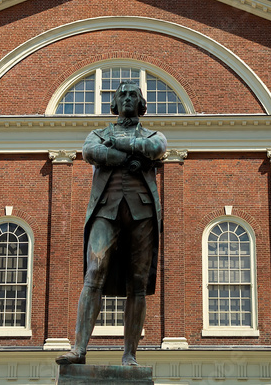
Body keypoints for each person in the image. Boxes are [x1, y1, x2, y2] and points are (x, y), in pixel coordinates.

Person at [56, 82, 166, 366]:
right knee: (94, 271)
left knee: (138, 284)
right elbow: (90, 152)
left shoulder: (152, 134)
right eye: (122, 95)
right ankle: (79, 349)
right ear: (114, 104)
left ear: (142, 104)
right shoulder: (97, 134)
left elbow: (156, 148)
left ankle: (130, 355)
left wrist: (119, 144)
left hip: (142, 213)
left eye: (133, 95)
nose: (128, 98)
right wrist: (129, 155)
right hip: (106, 209)